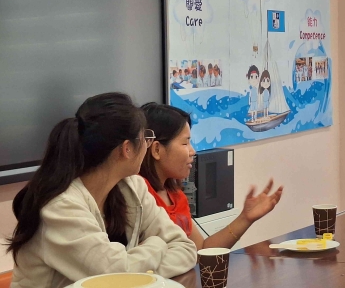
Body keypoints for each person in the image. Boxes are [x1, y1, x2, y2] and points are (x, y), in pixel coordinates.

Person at [6, 93, 197, 288]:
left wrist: (138, 270)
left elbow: (186, 248)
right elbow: (115, 277)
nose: (147, 146)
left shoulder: (133, 186)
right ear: (127, 149)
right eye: (145, 138)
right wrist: (157, 244)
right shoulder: (61, 206)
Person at [139, 103, 283, 249]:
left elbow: (201, 250)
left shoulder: (176, 195)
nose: (192, 151)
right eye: (185, 143)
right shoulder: (139, 197)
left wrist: (245, 218)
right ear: (157, 150)